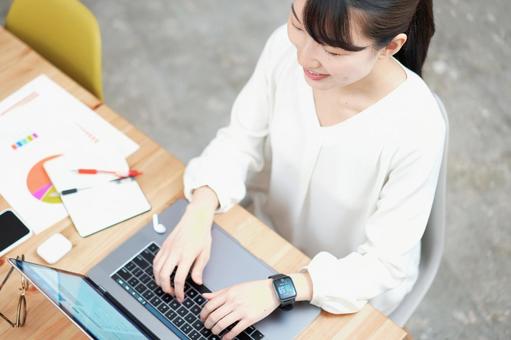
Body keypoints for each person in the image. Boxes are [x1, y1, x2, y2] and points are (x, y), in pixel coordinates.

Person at [153, 0, 445, 338]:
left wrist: (283, 289)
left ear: (390, 47)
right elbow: (240, 140)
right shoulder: (283, 49)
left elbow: (384, 264)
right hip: (267, 240)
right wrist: (200, 211)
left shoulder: (417, 126)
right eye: (298, 26)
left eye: (334, 51)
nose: (304, 57)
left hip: (343, 290)